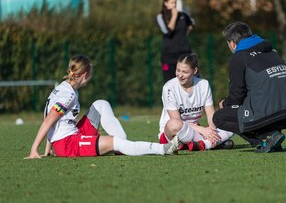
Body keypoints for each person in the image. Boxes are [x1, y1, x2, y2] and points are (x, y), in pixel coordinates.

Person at [25, 55, 179, 159]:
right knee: (115, 142)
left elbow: (55, 120)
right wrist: (34, 149)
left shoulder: (65, 88)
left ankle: (122, 145)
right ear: (85, 75)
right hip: (68, 144)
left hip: (66, 138)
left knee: (100, 104)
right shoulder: (68, 95)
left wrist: (49, 148)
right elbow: (49, 121)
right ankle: (162, 149)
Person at [212, 22, 286, 153]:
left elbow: (237, 97)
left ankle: (264, 139)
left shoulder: (238, 57)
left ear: (232, 43)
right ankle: (273, 137)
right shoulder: (271, 50)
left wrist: (225, 103)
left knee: (219, 117)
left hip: (274, 115)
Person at [158, 53, 233, 151]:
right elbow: (177, 120)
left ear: (195, 71)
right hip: (174, 132)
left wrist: (211, 131)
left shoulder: (204, 84)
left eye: (185, 72)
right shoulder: (169, 87)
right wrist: (204, 131)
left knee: (232, 118)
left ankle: (201, 144)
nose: (180, 75)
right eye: (178, 70)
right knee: (174, 124)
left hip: (196, 132)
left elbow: (211, 117)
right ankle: (210, 143)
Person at [156, 0, 195, 83]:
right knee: (169, 82)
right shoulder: (160, 17)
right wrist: (174, 16)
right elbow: (168, 32)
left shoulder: (183, 15)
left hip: (184, 54)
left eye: (175, 2)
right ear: (166, 3)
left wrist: (184, 35)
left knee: (187, 81)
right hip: (168, 57)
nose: (174, 5)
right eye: (172, 2)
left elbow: (191, 23)